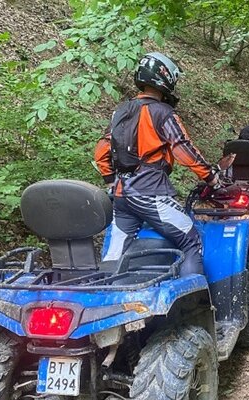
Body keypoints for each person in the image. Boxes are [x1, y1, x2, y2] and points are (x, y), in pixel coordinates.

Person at [94, 52, 219, 276]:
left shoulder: (120, 112)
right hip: (150, 193)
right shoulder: (163, 113)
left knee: (115, 253)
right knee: (191, 241)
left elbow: (102, 151)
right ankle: (196, 304)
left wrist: (111, 181)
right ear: (166, 79)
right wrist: (211, 177)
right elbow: (184, 150)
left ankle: (108, 299)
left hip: (122, 198)